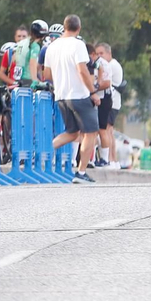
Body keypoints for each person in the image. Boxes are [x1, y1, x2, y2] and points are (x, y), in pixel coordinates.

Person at [45, 14, 99, 184]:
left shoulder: (52, 47)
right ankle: (81, 172)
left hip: (61, 95)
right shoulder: (78, 45)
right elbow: (82, 70)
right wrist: (92, 92)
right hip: (79, 94)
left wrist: (61, 81)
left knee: (72, 132)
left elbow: (46, 74)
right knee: (90, 132)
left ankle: (42, 152)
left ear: (64, 26)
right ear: (79, 28)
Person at [93, 42, 124, 167]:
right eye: (97, 53)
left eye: (102, 53)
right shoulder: (110, 64)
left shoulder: (110, 65)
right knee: (108, 131)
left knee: (107, 131)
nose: (99, 56)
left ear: (109, 53)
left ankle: (111, 159)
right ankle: (112, 160)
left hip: (111, 102)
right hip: (113, 102)